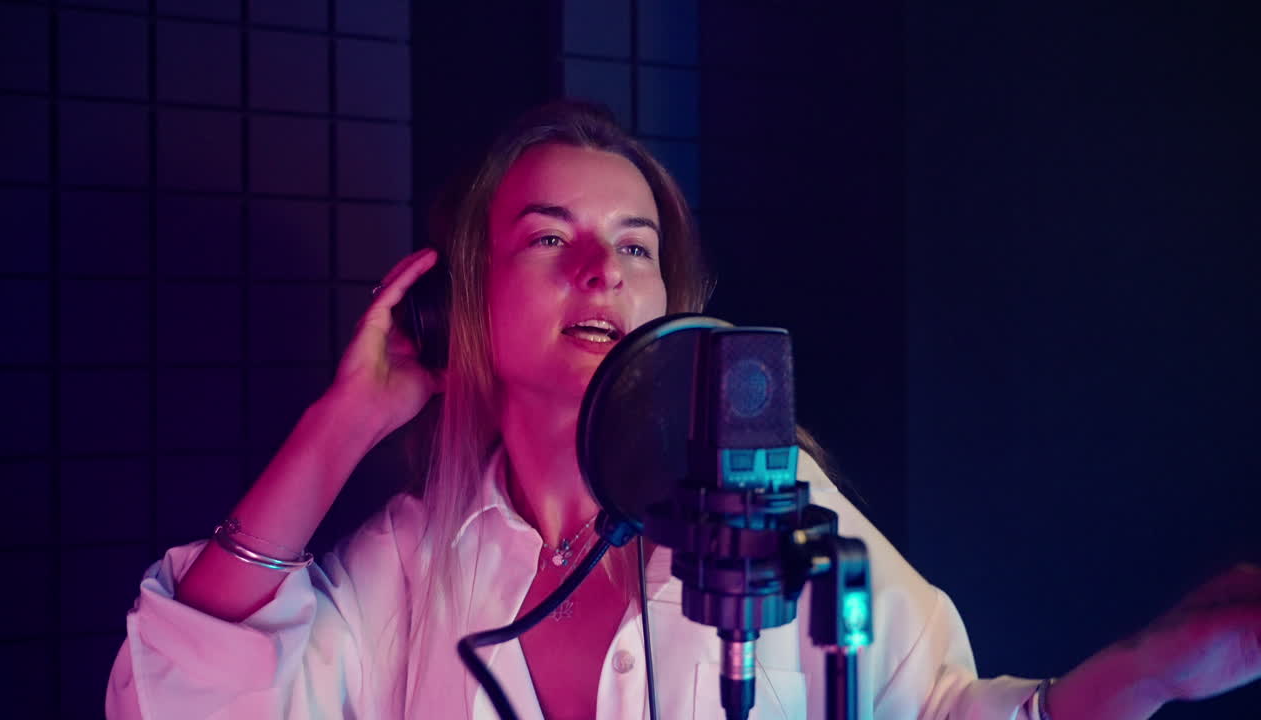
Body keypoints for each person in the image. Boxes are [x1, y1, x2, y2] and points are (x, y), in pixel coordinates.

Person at [105, 101, 1260, 719]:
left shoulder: (781, 514)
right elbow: (181, 697)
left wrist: (1146, 675)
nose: (600, 272)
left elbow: (943, 713)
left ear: (670, 299)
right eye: (548, 238)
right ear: (470, 291)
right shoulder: (409, 565)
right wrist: (343, 421)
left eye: (634, 246)